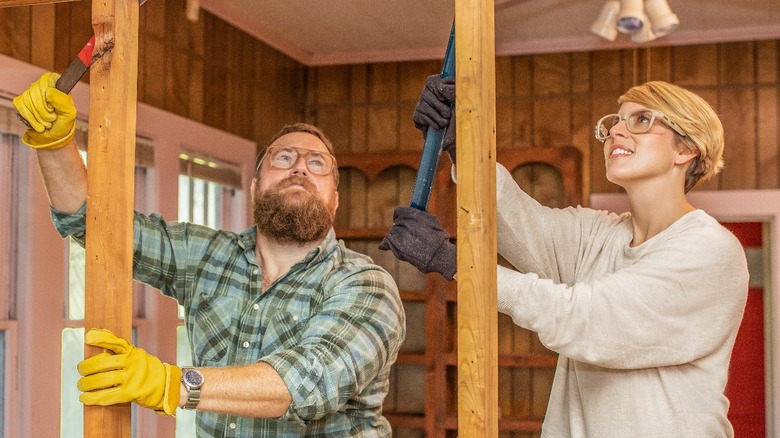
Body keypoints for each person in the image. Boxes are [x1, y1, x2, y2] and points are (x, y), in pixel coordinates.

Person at [14, 72, 406, 437]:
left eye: (317, 164)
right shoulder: (207, 256)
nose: (300, 167)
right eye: (283, 158)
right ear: (254, 187)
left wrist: (171, 384)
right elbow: (96, 228)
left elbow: (312, 380)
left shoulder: (365, 285)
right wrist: (54, 143)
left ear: (334, 202)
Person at [380, 74, 749, 437]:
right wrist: (462, 142)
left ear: (685, 150)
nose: (616, 132)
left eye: (641, 120)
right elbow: (517, 221)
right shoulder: (598, 235)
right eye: (614, 123)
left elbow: (587, 318)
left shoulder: (711, 251)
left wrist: (453, 262)